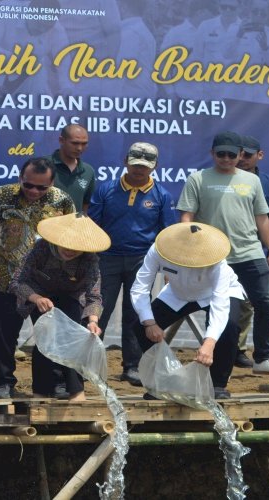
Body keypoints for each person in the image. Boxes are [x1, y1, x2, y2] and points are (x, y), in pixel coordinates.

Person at [177, 131, 269, 375]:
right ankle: (211, 357)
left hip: (251, 253)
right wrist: (187, 250)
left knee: (265, 303)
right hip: (213, 256)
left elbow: (262, 218)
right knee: (218, 310)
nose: (226, 159)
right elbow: (186, 217)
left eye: (231, 155)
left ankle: (263, 357)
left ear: (240, 155)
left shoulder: (252, 181)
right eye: (221, 154)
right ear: (212, 153)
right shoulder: (198, 179)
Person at [88, 142, 177, 386]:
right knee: (98, 309)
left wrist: (169, 269)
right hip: (106, 258)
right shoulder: (106, 189)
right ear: (125, 161)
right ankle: (89, 365)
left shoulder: (161, 194)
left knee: (136, 311)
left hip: (143, 261)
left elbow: (166, 234)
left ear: (155, 167)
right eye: (135, 164)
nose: (139, 170)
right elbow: (92, 225)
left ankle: (132, 366)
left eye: (145, 166)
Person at [0, 157, 75, 399]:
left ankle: (52, 382)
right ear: (20, 178)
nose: (34, 191)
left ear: (51, 184)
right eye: (29, 185)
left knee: (50, 333)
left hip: (46, 280)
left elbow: (70, 239)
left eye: (41, 187)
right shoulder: (1, 196)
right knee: (4, 333)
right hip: (6, 277)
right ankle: (4, 382)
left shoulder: (62, 201)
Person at [130, 223, 246, 400]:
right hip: (177, 293)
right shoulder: (158, 250)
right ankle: (164, 382)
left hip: (216, 293)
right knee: (139, 327)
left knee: (229, 327)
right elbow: (140, 287)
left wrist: (209, 343)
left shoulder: (219, 263)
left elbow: (220, 304)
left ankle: (216, 384)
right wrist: (149, 323)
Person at [11, 213, 109, 401]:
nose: (70, 251)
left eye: (76, 248)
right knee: (45, 341)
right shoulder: (40, 249)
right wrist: (36, 298)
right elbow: (17, 282)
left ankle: (76, 392)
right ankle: (40, 393)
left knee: (71, 340)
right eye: (66, 245)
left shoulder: (90, 260)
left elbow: (94, 295)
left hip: (72, 296)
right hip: (40, 296)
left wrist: (93, 321)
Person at [232, 135, 269, 368]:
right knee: (232, 302)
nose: (242, 159)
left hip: (255, 251)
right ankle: (233, 349)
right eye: (238, 154)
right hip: (226, 250)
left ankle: (259, 353)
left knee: (258, 302)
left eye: (247, 155)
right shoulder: (223, 178)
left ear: (259, 156)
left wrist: (267, 246)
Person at [50, 124, 95, 212]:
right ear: (61, 140)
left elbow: (86, 204)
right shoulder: (43, 165)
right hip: (44, 224)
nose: (79, 148)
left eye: (84, 144)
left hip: (74, 225)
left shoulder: (88, 171)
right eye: (75, 143)